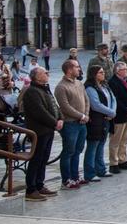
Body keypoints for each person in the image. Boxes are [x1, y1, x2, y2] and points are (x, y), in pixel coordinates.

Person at [20, 66, 60, 201]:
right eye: (45, 73)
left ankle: (39, 184)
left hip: (49, 129)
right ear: (37, 77)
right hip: (39, 130)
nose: (48, 74)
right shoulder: (32, 91)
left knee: (44, 159)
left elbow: (54, 105)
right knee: (36, 159)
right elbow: (40, 111)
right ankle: (31, 189)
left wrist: (60, 118)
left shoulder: (45, 88)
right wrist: (55, 122)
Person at [54, 58, 89, 190]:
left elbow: (86, 100)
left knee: (78, 150)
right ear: (69, 70)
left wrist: (85, 115)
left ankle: (75, 176)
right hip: (70, 124)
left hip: (82, 123)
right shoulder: (61, 87)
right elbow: (65, 106)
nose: (79, 69)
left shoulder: (79, 83)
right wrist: (81, 115)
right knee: (68, 151)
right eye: (76, 67)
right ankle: (66, 179)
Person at [83, 65, 116, 182]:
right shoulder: (90, 87)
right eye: (100, 72)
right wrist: (110, 112)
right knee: (93, 146)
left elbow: (112, 98)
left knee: (101, 145)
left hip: (105, 120)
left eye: (103, 72)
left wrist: (112, 111)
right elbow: (95, 105)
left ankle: (101, 169)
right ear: (94, 74)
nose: (103, 74)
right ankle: (89, 172)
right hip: (95, 120)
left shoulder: (104, 85)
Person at [107, 62, 127, 174]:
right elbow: (116, 100)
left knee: (124, 140)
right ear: (118, 71)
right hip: (119, 115)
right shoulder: (113, 82)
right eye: (124, 69)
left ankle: (122, 159)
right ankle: (113, 163)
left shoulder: (126, 81)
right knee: (115, 140)